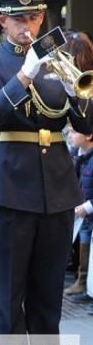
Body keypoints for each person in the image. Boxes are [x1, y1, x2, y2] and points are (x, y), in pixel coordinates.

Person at [0, 0, 93, 345]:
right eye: (20, 19)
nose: (28, 26)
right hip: (9, 187)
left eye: (35, 18)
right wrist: (26, 73)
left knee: (47, 291)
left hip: (55, 187)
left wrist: (81, 95)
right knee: (9, 291)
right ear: (3, 21)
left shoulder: (59, 61)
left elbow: (86, 127)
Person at [63, 128, 93, 304]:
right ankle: (81, 280)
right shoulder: (76, 155)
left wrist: (89, 206)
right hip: (81, 209)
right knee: (81, 239)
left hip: (88, 210)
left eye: (74, 132)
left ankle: (83, 282)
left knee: (86, 239)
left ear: (89, 136)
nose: (69, 135)